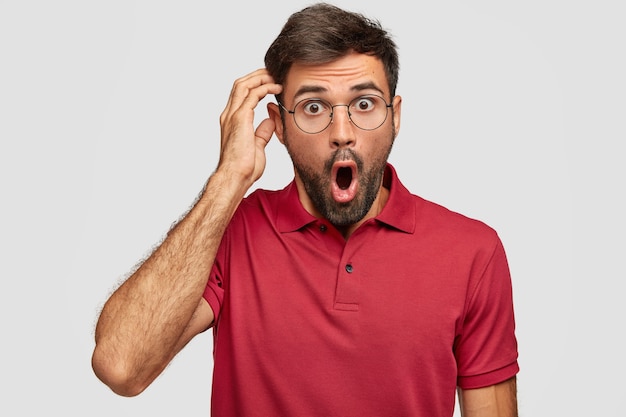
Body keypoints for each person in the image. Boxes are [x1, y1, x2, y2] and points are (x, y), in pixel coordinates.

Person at [91, 3, 519, 416]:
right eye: (314, 107)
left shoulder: (472, 252)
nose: (342, 133)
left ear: (395, 116)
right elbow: (121, 367)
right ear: (278, 125)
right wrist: (228, 180)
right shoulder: (230, 234)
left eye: (364, 104)